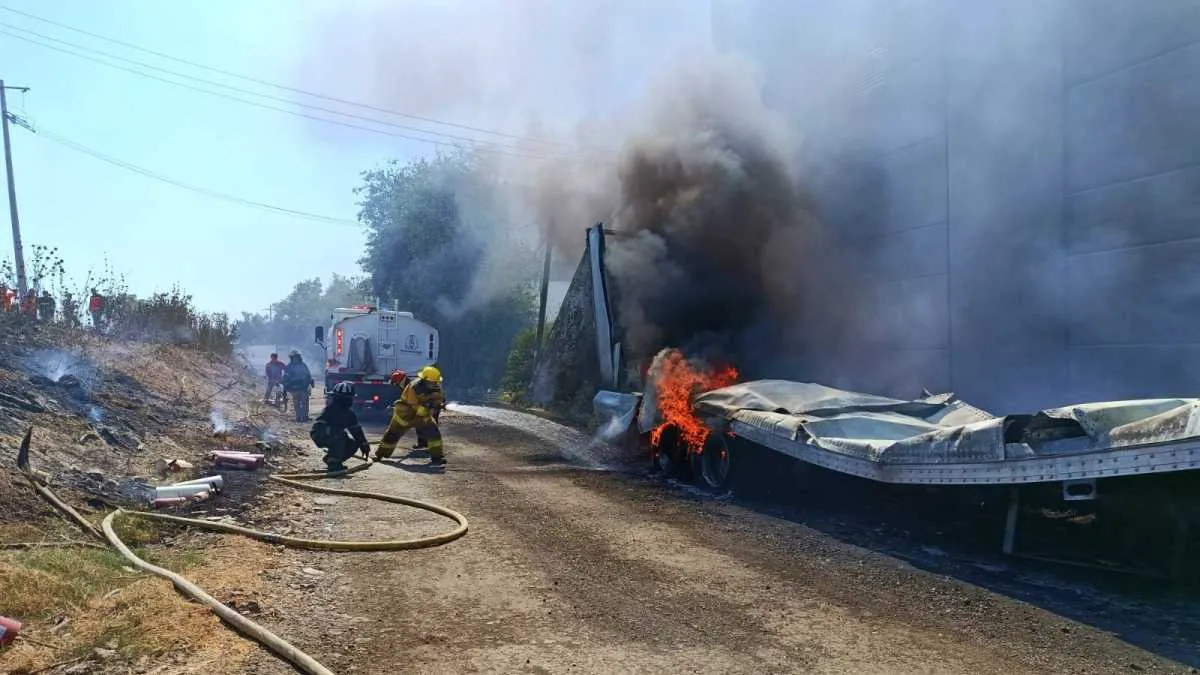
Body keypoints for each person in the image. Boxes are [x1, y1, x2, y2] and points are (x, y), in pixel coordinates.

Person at [374, 365, 446, 465]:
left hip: (422, 415)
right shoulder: (413, 387)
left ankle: (437, 458)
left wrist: (438, 404)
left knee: (433, 434)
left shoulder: (437, 387)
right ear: (425, 380)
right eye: (432, 382)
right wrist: (422, 409)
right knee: (392, 435)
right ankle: (380, 455)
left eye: (436, 381)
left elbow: (439, 398)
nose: (435, 384)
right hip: (405, 413)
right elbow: (412, 403)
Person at [310, 382, 371, 472]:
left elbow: (356, 431)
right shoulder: (331, 409)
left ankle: (332, 459)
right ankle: (333, 462)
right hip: (319, 435)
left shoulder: (349, 414)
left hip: (333, 435)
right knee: (337, 433)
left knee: (353, 443)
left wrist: (363, 444)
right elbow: (325, 428)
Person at [282, 350, 314, 422]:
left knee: (305, 403)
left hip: (303, 387)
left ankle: (305, 417)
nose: (296, 358)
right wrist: (286, 386)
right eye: (295, 357)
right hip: (294, 388)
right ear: (292, 358)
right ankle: (298, 417)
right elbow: (285, 378)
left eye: (297, 357)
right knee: (296, 404)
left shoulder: (303, 365)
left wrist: (310, 381)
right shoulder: (289, 367)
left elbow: (308, 375)